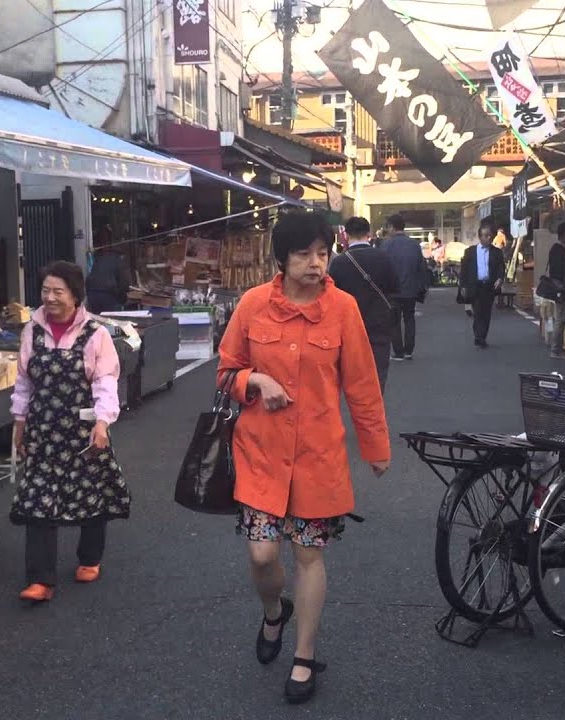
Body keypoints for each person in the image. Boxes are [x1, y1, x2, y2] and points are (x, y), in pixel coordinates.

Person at [217, 212, 390, 705]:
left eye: (322, 253)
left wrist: (375, 446)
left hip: (317, 456)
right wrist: (255, 380)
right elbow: (225, 372)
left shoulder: (343, 309)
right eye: (304, 254)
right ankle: (275, 612)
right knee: (262, 555)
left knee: (309, 556)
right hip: (260, 455)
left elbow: (362, 384)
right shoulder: (253, 305)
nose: (316, 263)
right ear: (282, 257)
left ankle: (304, 656)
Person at [9, 261, 131, 604]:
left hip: (83, 431)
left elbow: (106, 382)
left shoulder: (96, 334)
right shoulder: (32, 331)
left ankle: (90, 557)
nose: (49, 298)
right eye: (45, 291)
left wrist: (102, 423)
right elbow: (23, 381)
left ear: (75, 295)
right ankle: (40, 579)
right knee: (37, 500)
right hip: (43, 431)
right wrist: (19, 422)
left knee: (89, 493)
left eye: (57, 291)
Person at [328, 216, 399, 391]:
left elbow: (331, 294)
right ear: (368, 233)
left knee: (351, 369)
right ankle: (375, 399)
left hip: (349, 323)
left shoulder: (339, 262)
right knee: (378, 369)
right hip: (380, 320)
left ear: (346, 234)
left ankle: (357, 398)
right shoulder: (384, 258)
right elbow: (394, 287)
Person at [381, 214, 425, 360]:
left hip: (392, 290)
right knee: (409, 318)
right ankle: (409, 350)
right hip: (410, 289)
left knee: (394, 321)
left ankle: (398, 351)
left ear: (391, 227)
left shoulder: (386, 245)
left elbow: (382, 267)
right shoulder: (414, 245)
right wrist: (421, 287)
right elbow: (421, 267)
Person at [459, 218, 506, 348]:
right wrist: (463, 285)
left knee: (486, 313)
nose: (488, 238)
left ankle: (482, 335)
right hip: (475, 285)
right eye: (486, 236)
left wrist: (500, 278)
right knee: (478, 311)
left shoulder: (496, 252)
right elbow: (464, 270)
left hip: (489, 286)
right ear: (480, 237)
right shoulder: (470, 252)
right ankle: (478, 336)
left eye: (490, 235)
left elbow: (501, 267)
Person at [547, 222, 565, 359]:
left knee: (560, 318)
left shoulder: (557, 249)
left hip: (557, 286)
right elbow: (559, 271)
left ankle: (557, 348)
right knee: (560, 319)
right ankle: (556, 349)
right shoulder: (559, 250)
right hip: (560, 288)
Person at [86, 244, 132, 313]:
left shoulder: (99, 259)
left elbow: (90, 277)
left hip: (92, 294)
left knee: (97, 317)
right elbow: (124, 282)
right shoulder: (119, 260)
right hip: (109, 295)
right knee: (113, 318)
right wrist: (123, 298)